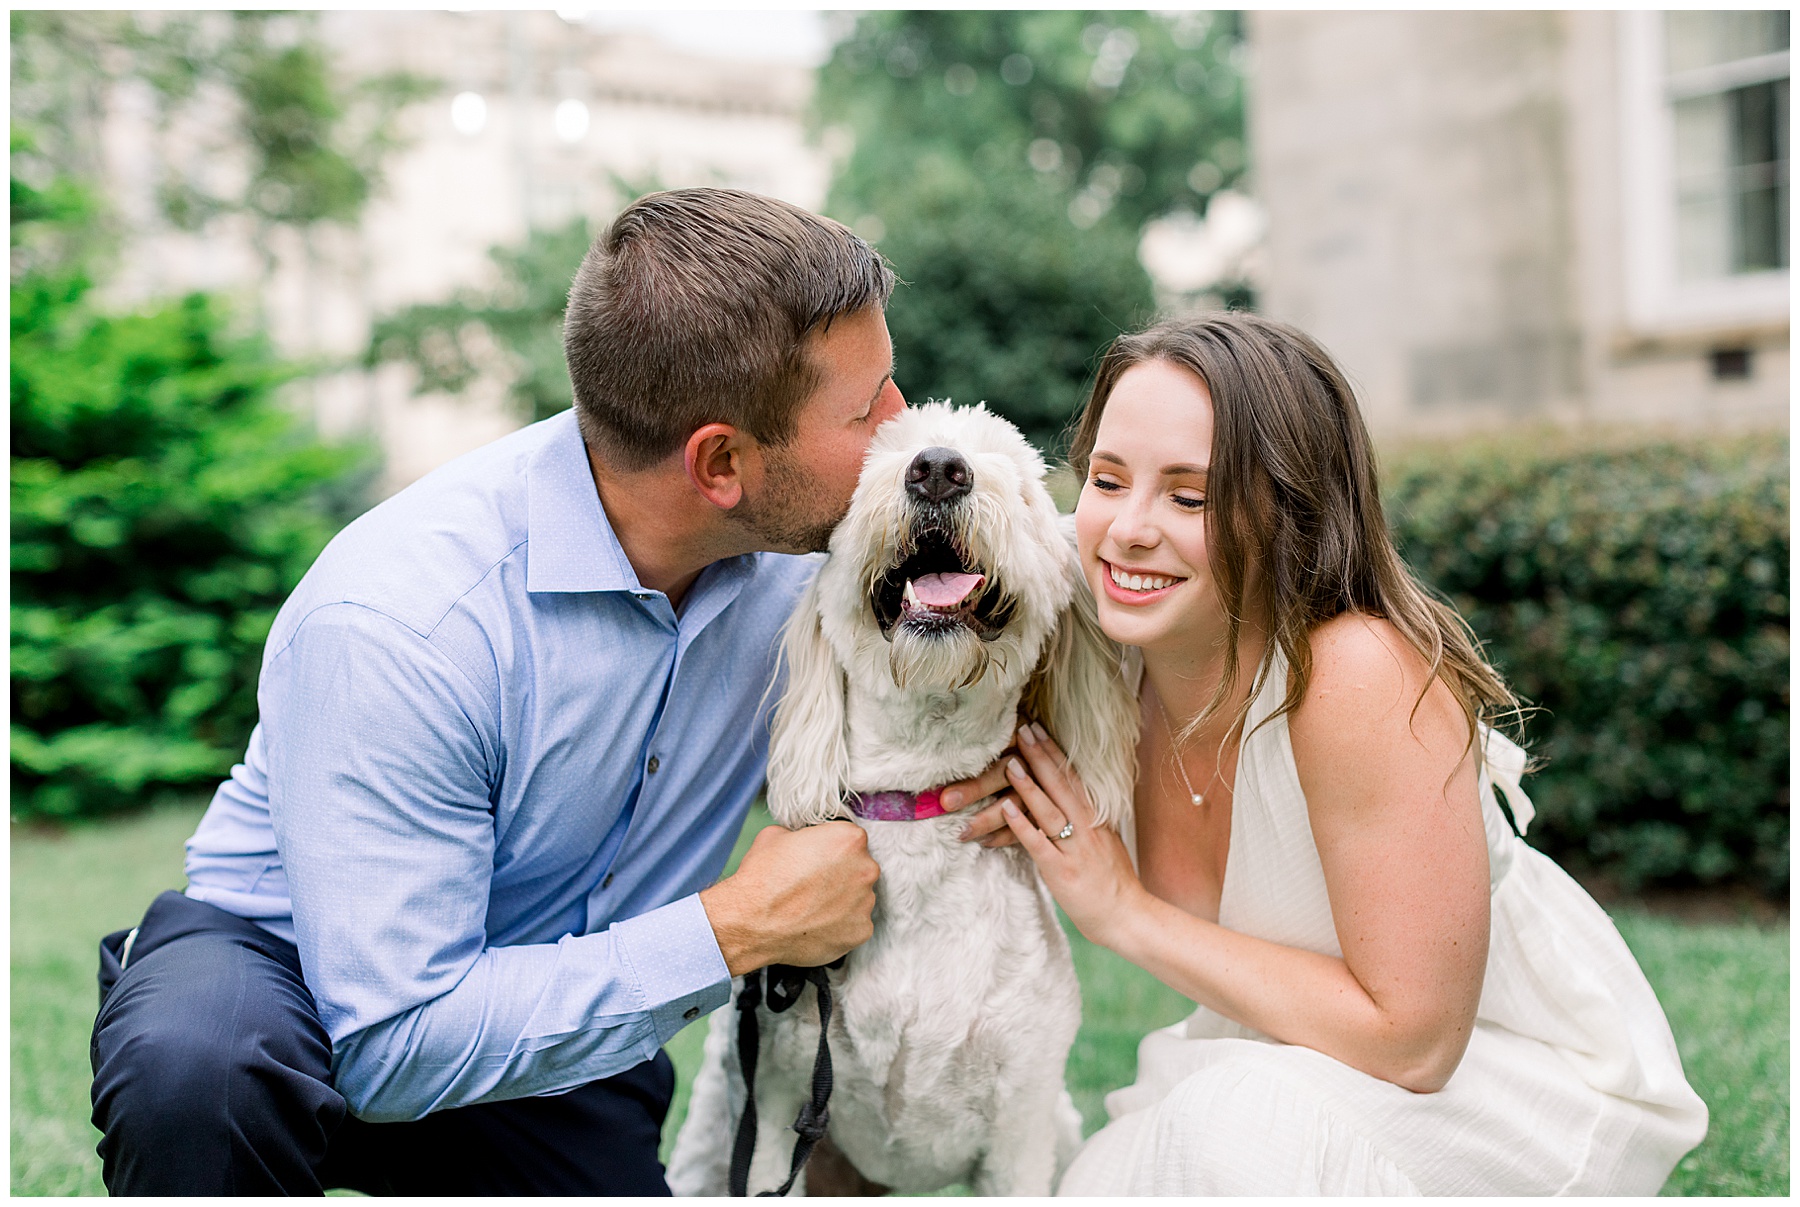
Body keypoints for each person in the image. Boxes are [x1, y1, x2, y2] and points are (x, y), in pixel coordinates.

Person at [88, 188, 907, 1196]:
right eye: (869, 408)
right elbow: (393, 1040)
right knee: (195, 1073)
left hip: (556, 1015)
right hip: (290, 984)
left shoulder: (814, 560)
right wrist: (736, 924)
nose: (905, 426)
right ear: (721, 462)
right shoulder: (402, 622)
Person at [948, 313, 1709, 1194]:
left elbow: (1416, 1043)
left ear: (1289, 510)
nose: (1126, 529)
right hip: (1280, 1057)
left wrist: (1125, 913)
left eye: (1190, 498)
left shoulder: (1356, 672)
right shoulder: (1090, 628)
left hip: (1499, 1084)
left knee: (1240, 1128)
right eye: (1108, 480)